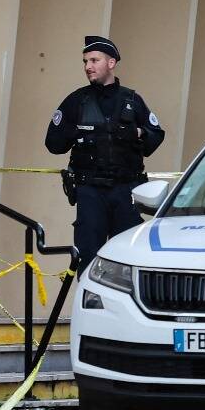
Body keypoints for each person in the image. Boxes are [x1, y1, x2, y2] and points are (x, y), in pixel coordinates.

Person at [46, 35, 165, 272]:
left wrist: (138, 132)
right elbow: (53, 143)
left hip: (126, 192)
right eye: (85, 62)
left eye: (94, 60)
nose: (88, 67)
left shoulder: (131, 99)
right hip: (90, 192)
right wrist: (79, 130)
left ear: (111, 63)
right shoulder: (77, 101)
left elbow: (156, 134)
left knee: (129, 258)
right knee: (88, 257)